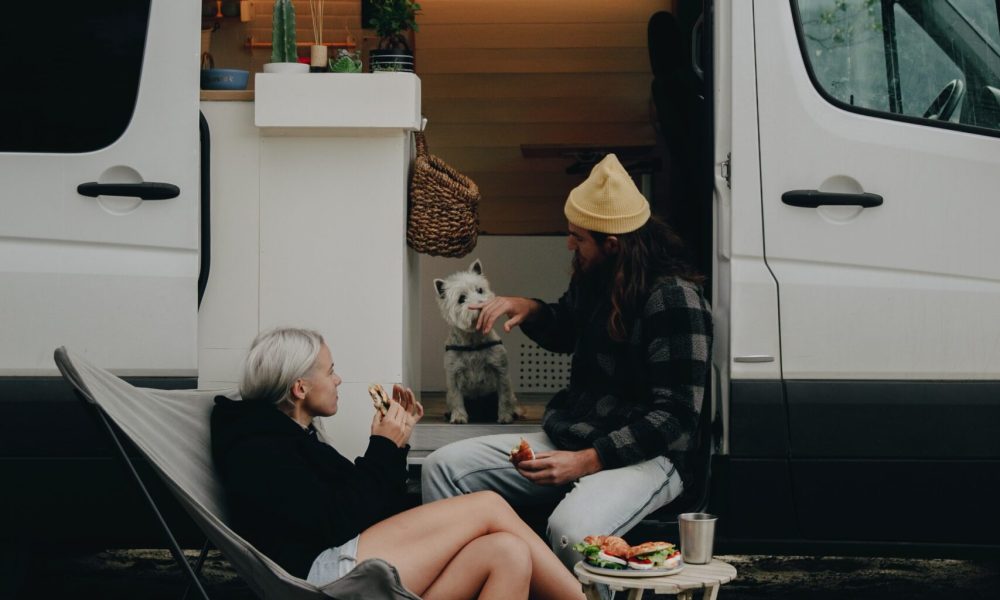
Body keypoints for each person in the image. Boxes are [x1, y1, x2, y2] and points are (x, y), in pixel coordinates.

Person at [421, 153, 713, 571]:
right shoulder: (595, 276)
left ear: (613, 245)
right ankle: (481, 578)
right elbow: (568, 328)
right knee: (441, 467)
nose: (569, 244)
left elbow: (677, 416)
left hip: (651, 457)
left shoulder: (674, 300)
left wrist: (589, 460)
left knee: (571, 531)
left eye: (578, 237)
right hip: (577, 435)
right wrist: (531, 310)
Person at [211, 327, 586, 600]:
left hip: (346, 556)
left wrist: (396, 445)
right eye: (330, 371)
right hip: (323, 577)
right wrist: (382, 447)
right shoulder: (258, 449)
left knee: (508, 553)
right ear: (300, 388)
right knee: (488, 505)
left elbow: (372, 507)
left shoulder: (290, 436)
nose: (338, 379)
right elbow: (341, 521)